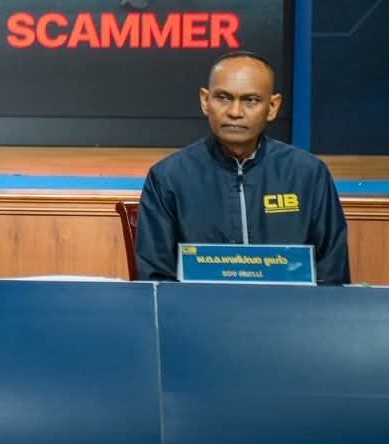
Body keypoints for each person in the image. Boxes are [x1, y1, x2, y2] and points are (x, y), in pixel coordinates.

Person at [136, 51, 349, 284]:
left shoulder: (309, 174)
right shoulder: (168, 178)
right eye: (223, 98)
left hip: (291, 308)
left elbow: (332, 274)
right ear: (205, 101)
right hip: (198, 308)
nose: (235, 112)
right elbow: (155, 281)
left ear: (273, 106)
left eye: (251, 100)